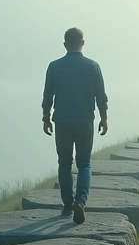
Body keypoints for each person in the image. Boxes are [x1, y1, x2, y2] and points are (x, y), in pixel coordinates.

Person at [41, 27, 108, 224]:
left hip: (62, 122)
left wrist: (45, 117)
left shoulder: (54, 66)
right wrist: (104, 118)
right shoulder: (93, 66)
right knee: (84, 164)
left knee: (64, 164)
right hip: (85, 121)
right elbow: (101, 96)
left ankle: (68, 206)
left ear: (65, 44)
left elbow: (48, 96)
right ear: (83, 43)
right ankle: (81, 201)